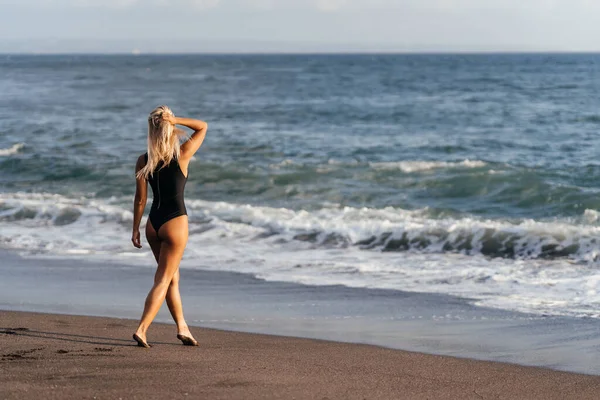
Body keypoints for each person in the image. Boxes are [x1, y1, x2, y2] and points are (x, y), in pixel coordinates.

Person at [130, 105, 208, 348]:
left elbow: (141, 199)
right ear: (169, 127)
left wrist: (135, 228)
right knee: (163, 280)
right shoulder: (182, 154)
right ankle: (142, 329)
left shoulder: (143, 160)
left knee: (172, 277)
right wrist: (175, 120)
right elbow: (202, 126)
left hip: (153, 224)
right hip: (175, 224)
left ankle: (182, 327)